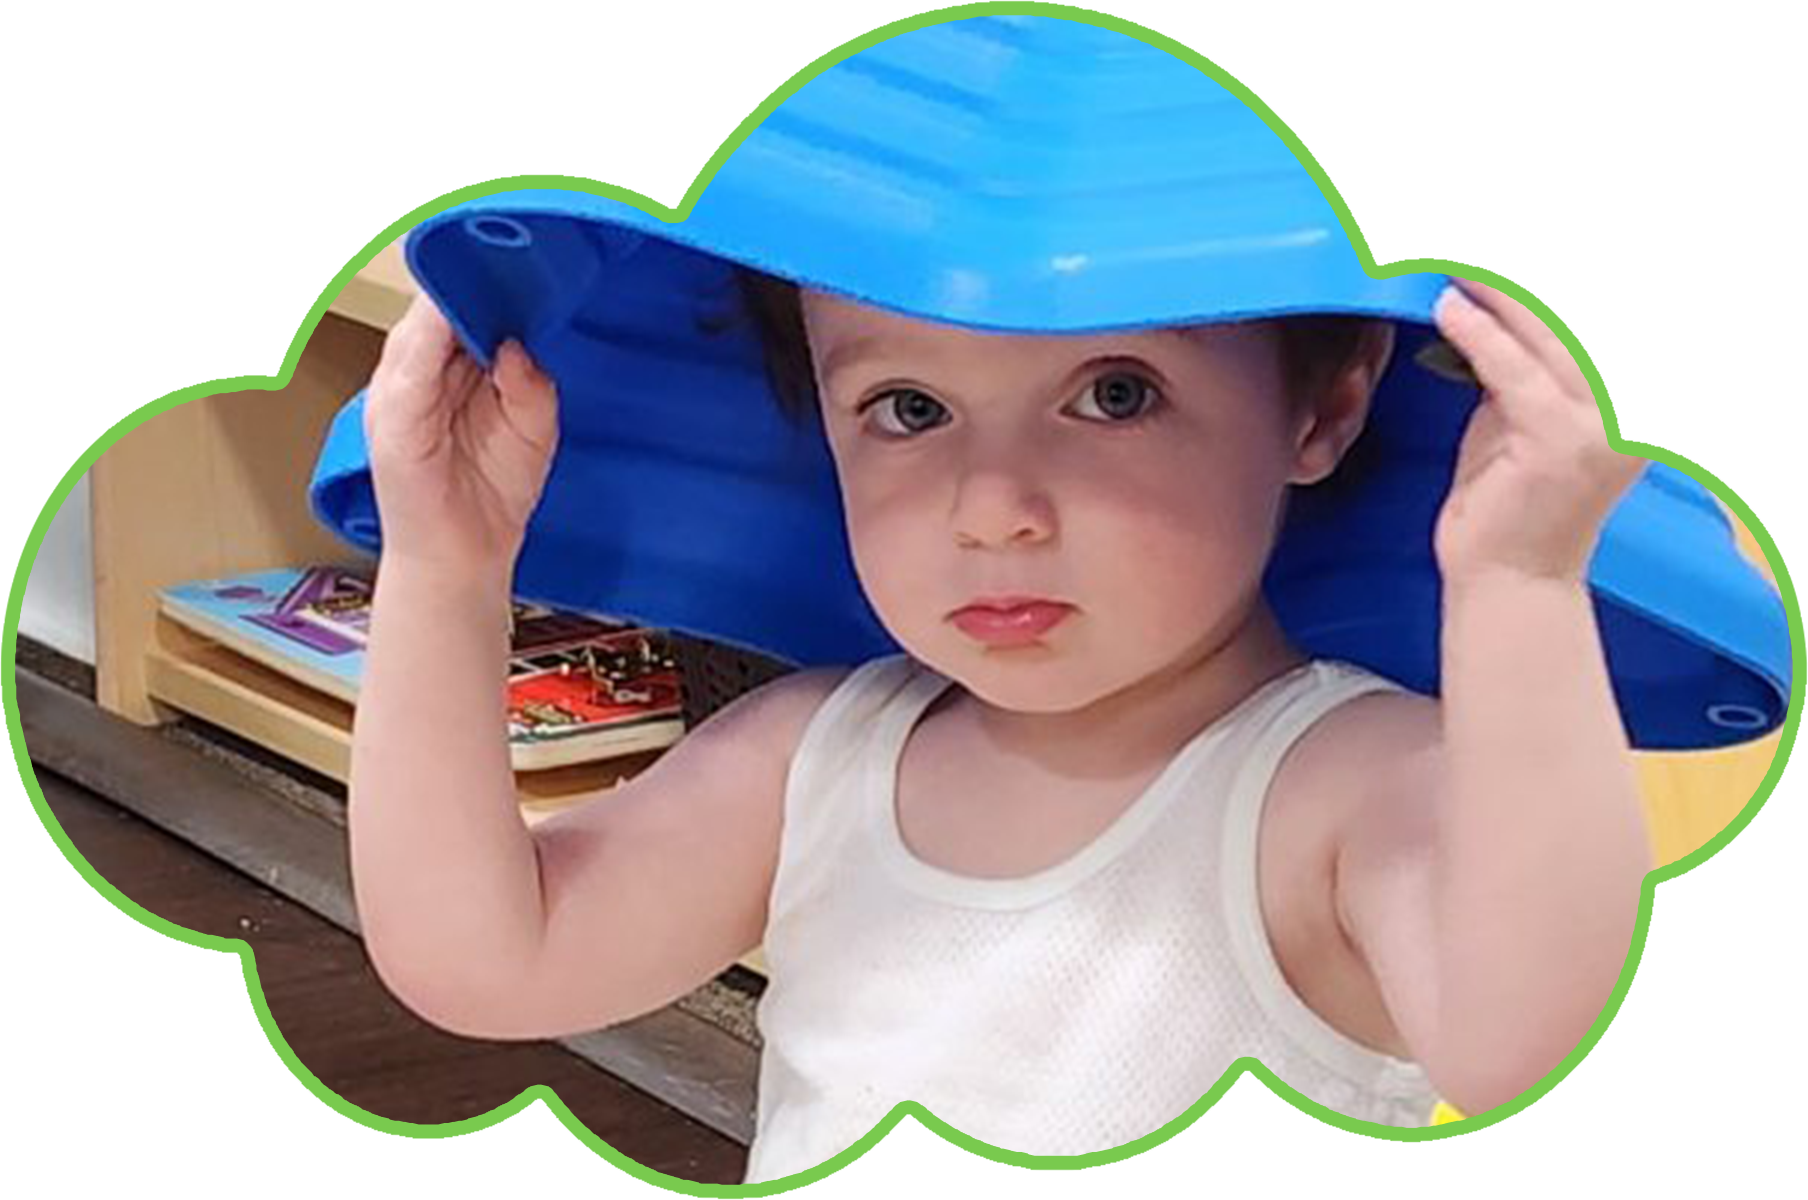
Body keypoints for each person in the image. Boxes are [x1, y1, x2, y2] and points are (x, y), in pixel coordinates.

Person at [347, 264, 1653, 1182]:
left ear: (1321, 406)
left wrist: (1520, 584)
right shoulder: (810, 759)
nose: (995, 508)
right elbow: (481, 961)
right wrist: (446, 573)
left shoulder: (1341, 790)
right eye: (908, 409)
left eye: (1116, 394)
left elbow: (1512, 1039)